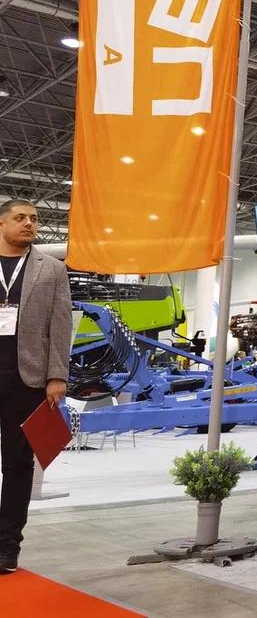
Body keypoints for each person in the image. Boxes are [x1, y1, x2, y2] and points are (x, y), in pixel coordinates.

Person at [0, 199, 73, 574]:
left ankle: (7, 545)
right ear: (2, 224)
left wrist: (57, 376)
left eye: (34, 218)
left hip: (26, 380)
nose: (29, 223)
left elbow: (61, 326)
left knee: (16, 464)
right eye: (20, 218)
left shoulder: (53, 269)